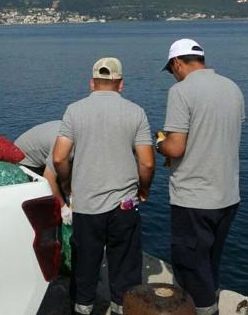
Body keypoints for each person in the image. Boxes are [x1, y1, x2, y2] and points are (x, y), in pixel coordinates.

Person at [52, 57, 155, 315]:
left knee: (85, 263)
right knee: (125, 265)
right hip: (125, 204)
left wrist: (66, 183)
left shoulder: (74, 110)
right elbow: (147, 163)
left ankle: (82, 308)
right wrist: (144, 189)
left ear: (91, 83)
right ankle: (121, 307)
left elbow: (58, 157)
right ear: (120, 84)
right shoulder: (136, 112)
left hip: (87, 204)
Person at [155, 38, 244, 315]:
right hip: (228, 196)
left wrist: (160, 144)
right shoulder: (233, 88)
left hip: (194, 198)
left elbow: (176, 147)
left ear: (177, 63)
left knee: (190, 267)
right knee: (209, 263)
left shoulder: (181, 92)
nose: (174, 75)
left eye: (171, 70)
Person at [14, 120, 67, 209]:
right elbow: (49, 179)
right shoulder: (63, 143)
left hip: (44, 152)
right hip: (25, 159)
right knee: (46, 198)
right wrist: (63, 208)